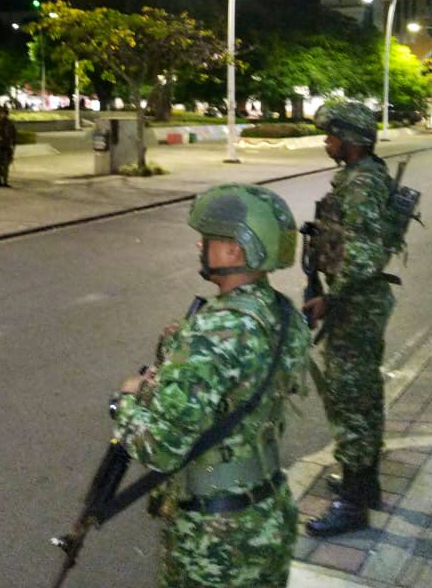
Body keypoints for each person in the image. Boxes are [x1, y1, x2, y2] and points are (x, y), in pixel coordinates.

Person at [113, 184, 311, 588]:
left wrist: (126, 402)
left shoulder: (215, 329)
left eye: (209, 237)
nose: (199, 244)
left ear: (236, 250)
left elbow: (161, 448)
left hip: (217, 541)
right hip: (269, 514)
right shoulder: (285, 316)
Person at [302, 100, 397, 536]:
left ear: (350, 139)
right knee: (364, 396)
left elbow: (362, 254)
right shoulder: (365, 177)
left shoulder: (361, 184)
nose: (327, 141)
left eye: (331, 133)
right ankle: (365, 483)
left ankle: (353, 505)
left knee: (349, 400)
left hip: (355, 305)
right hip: (362, 301)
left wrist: (331, 299)